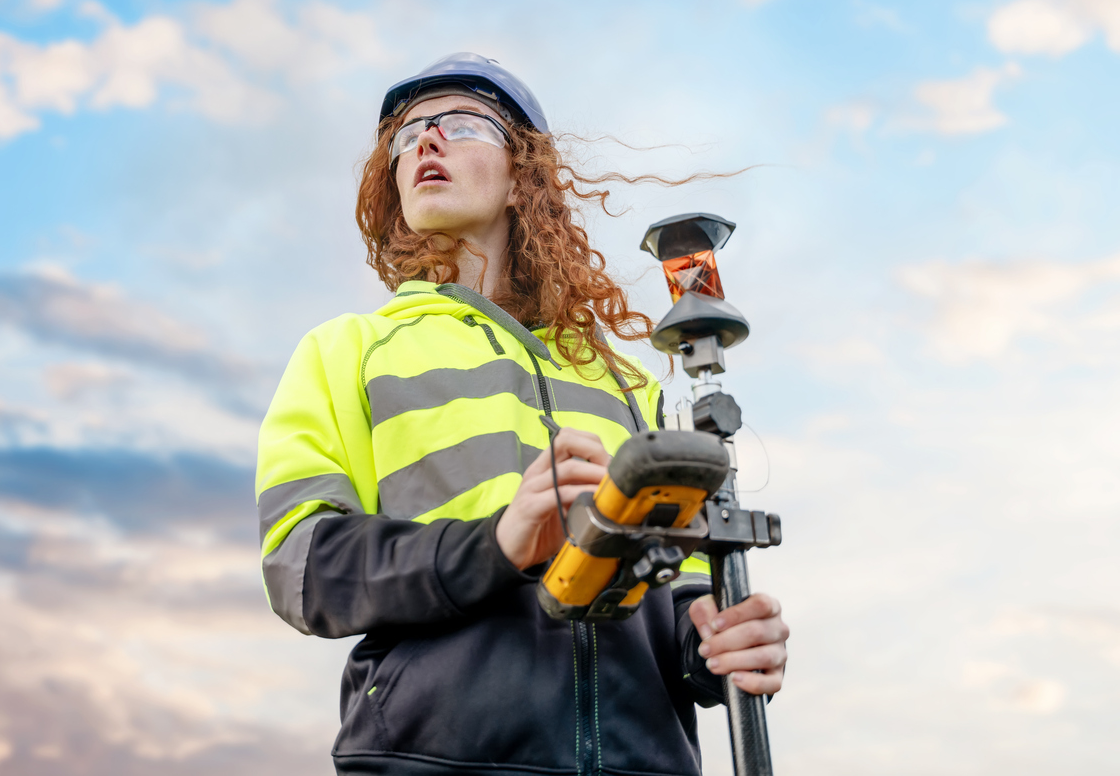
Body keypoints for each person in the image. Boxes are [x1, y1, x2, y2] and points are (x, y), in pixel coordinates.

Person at [257, 53, 789, 776]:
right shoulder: (347, 350)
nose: (427, 142)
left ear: (522, 175)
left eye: (461, 123)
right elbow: (302, 569)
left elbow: (682, 578)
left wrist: (713, 644)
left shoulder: (624, 377)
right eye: (407, 136)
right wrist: (494, 546)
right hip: (434, 760)